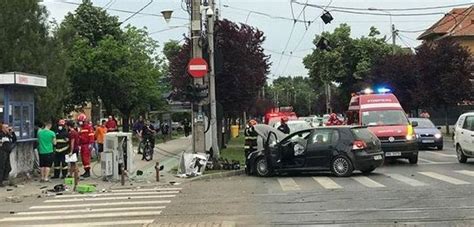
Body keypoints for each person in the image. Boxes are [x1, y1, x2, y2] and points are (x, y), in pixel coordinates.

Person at [77, 114, 94, 178]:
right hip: (82, 145)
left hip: (87, 145)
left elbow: (91, 136)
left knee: (86, 158)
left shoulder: (88, 127)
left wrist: (90, 144)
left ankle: (87, 172)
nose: (79, 122)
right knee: (83, 159)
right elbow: (79, 136)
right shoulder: (81, 128)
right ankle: (86, 171)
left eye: (80, 121)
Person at [66, 121, 80, 190]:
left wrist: (71, 151)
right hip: (76, 149)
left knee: (74, 163)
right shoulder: (75, 132)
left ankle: (76, 176)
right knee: (72, 164)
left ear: (68, 126)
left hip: (73, 149)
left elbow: (72, 142)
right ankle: (71, 175)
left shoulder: (72, 133)